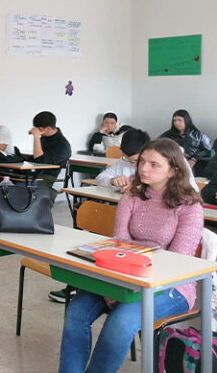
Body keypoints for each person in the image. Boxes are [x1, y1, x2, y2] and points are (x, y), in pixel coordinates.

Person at [58, 138, 202, 373]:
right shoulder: (132, 195)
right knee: (76, 312)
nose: (144, 168)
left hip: (170, 286)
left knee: (121, 322)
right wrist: (114, 287)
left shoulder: (189, 206)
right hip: (121, 275)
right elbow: (119, 244)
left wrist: (126, 290)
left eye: (154, 164)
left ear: (174, 170)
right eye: (142, 162)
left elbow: (177, 263)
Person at [28, 111, 71, 205]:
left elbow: (39, 161)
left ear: (47, 128)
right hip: (35, 173)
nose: (37, 131)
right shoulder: (45, 137)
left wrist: (36, 137)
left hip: (47, 178)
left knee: (23, 189)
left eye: (39, 129)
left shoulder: (62, 146)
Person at [159, 109, 213, 175]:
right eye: (174, 121)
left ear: (186, 120)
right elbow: (157, 146)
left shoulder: (199, 135)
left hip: (193, 165)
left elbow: (208, 150)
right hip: (173, 163)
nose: (176, 123)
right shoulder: (168, 134)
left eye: (179, 120)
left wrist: (194, 159)